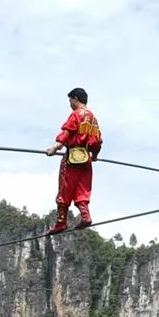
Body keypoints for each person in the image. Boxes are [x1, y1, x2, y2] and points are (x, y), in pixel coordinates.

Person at [44, 88, 102, 235]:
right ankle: (85, 216)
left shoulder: (76, 115)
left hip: (72, 158)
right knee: (83, 189)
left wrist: (56, 147)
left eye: (70, 100)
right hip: (86, 159)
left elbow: (67, 132)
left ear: (76, 99)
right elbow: (97, 141)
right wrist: (94, 155)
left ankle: (61, 222)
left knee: (65, 188)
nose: (70, 103)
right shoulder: (93, 119)